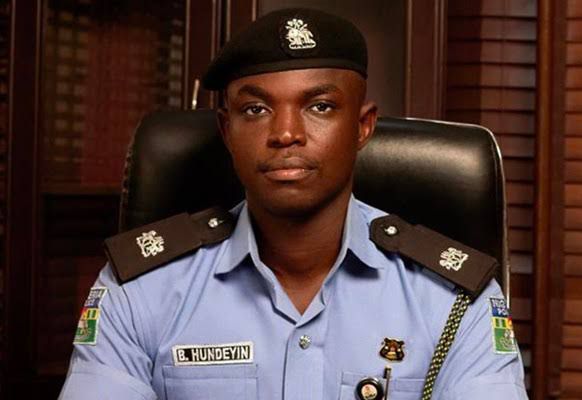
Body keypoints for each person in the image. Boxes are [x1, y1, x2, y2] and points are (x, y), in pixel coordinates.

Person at [59, 8, 528, 400]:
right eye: (255, 109)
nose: (285, 133)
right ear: (226, 130)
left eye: (319, 106)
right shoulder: (143, 289)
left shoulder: (452, 301)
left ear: (362, 126)